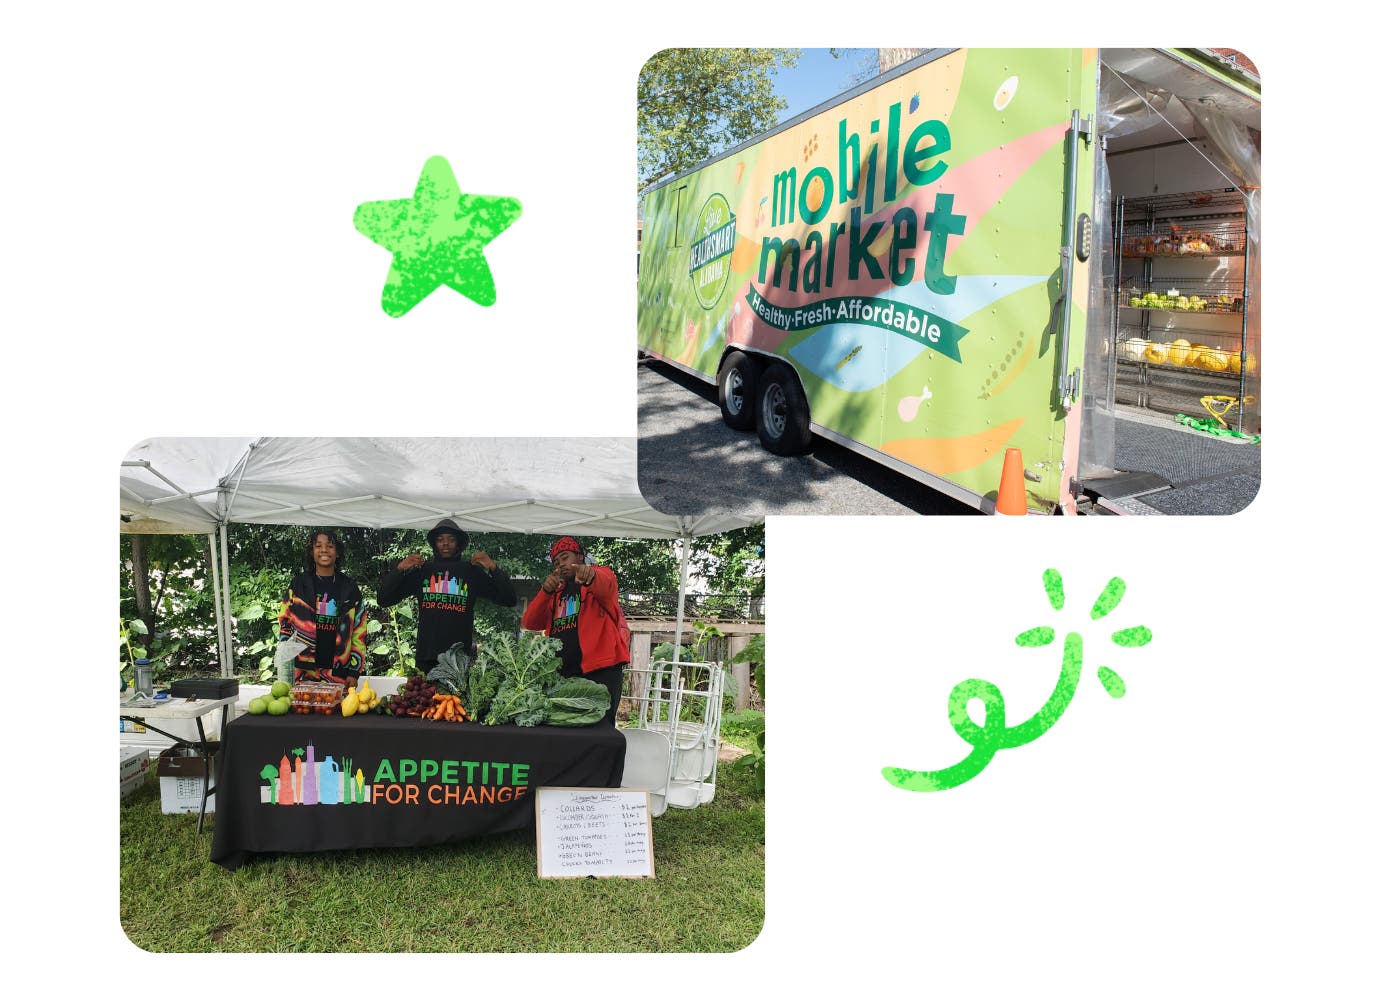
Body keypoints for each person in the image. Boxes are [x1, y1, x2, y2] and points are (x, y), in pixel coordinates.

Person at [376, 518, 515, 671]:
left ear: (459, 544)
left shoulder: (471, 572)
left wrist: (493, 568)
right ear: (434, 543)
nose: (445, 543)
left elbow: (509, 599)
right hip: (427, 657)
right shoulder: (423, 571)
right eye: (440, 539)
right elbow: (384, 599)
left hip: (459, 659)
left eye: (451, 539)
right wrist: (400, 569)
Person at [522, 536, 629, 726]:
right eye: (556, 562)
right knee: (567, 735)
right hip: (565, 676)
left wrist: (591, 575)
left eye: (565, 558)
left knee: (600, 731)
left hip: (600, 672)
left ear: (580, 557)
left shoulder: (599, 576)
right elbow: (530, 622)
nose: (561, 565)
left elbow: (606, 584)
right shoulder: (556, 594)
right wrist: (545, 592)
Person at [277, 529, 368, 687]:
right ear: (312, 552)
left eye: (330, 546)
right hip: (304, 673)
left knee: (335, 711)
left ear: (337, 552)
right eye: (318, 546)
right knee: (302, 711)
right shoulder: (299, 584)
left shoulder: (350, 588)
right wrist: (286, 665)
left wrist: (354, 671)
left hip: (339, 673)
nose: (324, 550)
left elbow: (359, 632)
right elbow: (285, 624)